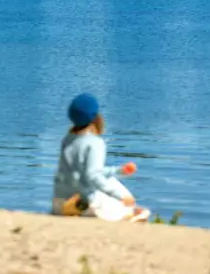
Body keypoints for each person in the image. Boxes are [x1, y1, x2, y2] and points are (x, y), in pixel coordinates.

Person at [51, 93, 150, 222]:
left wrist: (119, 171)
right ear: (96, 117)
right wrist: (120, 196)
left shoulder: (67, 140)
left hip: (60, 203)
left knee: (108, 179)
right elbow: (93, 176)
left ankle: (125, 210)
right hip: (82, 205)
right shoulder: (95, 143)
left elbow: (86, 172)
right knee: (113, 184)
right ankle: (128, 211)